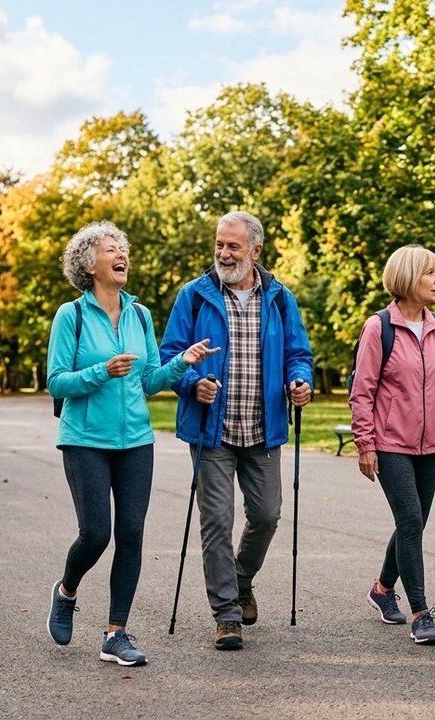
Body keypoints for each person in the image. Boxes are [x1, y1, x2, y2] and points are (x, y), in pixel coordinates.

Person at [45, 221, 218, 666]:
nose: (121, 254)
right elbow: (56, 382)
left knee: (132, 533)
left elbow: (149, 380)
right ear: (89, 264)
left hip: (136, 440)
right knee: (95, 534)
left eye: (123, 248)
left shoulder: (140, 315)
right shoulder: (71, 316)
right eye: (110, 248)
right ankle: (66, 591)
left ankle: (115, 633)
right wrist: (101, 371)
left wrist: (183, 362)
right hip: (85, 439)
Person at [159, 210, 314, 651]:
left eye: (233, 246)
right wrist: (193, 384)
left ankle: (242, 580)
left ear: (255, 251)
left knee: (266, 516)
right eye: (219, 244)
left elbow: (298, 354)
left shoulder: (280, 298)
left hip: (263, 428)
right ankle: (227, 614)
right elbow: (170, 357)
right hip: (212, 430)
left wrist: (299, 382)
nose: (224, 253)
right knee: (217, 522)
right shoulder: (194, 296)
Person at [348, 245, 435, 646]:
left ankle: (382, 589)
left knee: (414, 523)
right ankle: (421, 612)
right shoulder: (379, 328)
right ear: (408, 278)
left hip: (430, 445)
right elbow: (362, 391)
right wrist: (365, 444)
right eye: (430, 273)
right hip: (390, 443)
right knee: (410, 521)